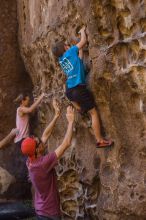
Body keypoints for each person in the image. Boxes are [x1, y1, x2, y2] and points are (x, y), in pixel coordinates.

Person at [52, 27, 113, 148]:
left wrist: (80, 51)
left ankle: (80, 109)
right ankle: (99, 140)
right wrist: (82, 32)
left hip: (70, 91)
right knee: (93, 113)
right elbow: (83, 41)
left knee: (72, 96)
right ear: (65, 48)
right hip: (79, 89)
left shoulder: (61, 60)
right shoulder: (70, 52)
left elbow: (78, 61)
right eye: (67, 45)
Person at [21, 105, 75, 220]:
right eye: (38, 143)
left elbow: (45, 136)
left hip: (40, 211)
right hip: (50, 213)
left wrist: (56, 116)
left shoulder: (30, 161)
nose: (41, 141)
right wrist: (70, 121)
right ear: (37, 149)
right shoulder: (43, 163)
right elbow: (66, 143)